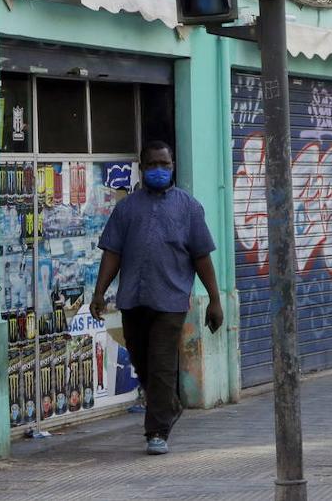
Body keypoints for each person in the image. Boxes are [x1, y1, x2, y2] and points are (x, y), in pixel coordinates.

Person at [90, 141, 224, 456]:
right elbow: (113, 252)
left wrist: (215, 300)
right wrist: (99, 292)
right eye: (152, 165)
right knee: (143, 363)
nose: (159, 170)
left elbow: (202, 256)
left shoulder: (189, 208)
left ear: (173, 164)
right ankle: (169, 405)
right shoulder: (126, 208)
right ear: (142, 166)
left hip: (171, 301)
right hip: (133, 300)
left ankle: (156, 431)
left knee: (162, 365)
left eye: (164, 164)